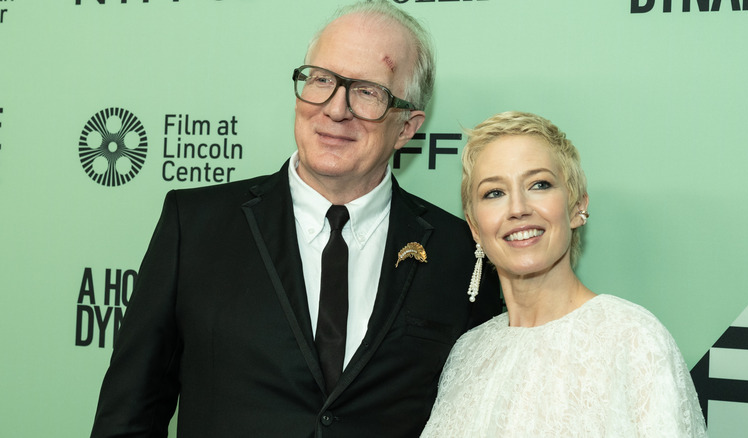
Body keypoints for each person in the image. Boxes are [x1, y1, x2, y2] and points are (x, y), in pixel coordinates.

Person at [89, 1, 501, 437]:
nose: (335, 109)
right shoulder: (193, 227)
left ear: (407, 127)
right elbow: (129, 416)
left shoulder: (462, 256)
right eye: (321, 80)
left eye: (367, 91)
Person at [420, 111, 708, 437]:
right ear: (474, 227)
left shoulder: (632, 338)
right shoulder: (467, 354)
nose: (518, 208)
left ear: (576, 208)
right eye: (494, 193)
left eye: (539, 185)